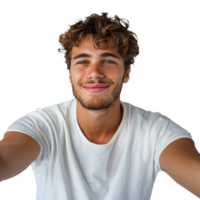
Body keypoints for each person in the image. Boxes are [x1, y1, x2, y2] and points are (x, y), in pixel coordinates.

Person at [1, 10, 199, 200]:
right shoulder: (41, 124)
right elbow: (6, 158)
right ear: (69, 74)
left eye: (108, 61)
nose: (94, 72)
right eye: (83, 61)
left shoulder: (156, 130)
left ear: (127, 73)